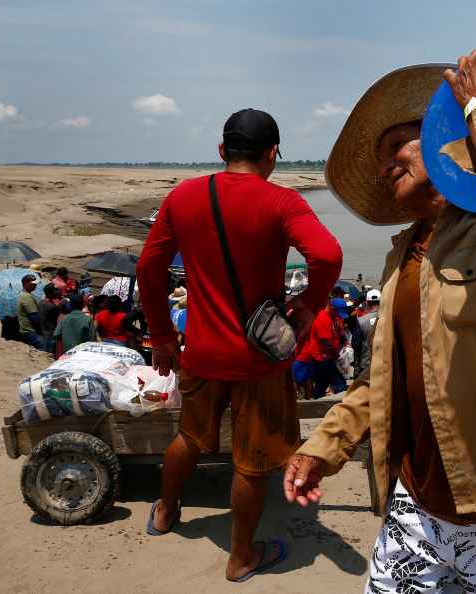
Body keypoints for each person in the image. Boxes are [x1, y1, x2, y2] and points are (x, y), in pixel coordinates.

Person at [284, 43, 476, 593]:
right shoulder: (404, 253)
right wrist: (325, 445)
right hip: (418, 509)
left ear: (439, 135)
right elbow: (388, 376)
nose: (383, 167)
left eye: (393, 146)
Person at [136, 107, 342, 583]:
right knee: (251, 462)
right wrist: (309, 305)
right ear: (272, 155)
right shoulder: (282, 202)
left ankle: (167, 511)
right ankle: (241, 557)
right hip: (258, 359)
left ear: (222, 151)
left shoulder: (185, 195)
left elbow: (149, 268)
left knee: (189, 436)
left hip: (201, 353)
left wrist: (163, 336)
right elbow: (328, 254)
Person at [298, 298, 350, 398]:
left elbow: (339, 331)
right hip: (321, 358)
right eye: (337, 313)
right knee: (339, 383)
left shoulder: (332, 317)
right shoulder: (323, 318)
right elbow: (326, 343)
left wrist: (343, 340)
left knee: (322, 384)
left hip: (326, 357)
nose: (338, 316)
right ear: (332, 308)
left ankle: (316, 403)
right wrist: (337, 355)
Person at [17, 274, 46, 351]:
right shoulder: (27, 297)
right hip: (31, 331)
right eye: (32, 283)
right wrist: (41, 330)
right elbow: (34, 317)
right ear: (26, 283)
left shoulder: (25, 295)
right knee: (43, 349)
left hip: (27, 330)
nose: (35, 285)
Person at [356, 289, 380, 373]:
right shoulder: (389, 319)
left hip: (366, 363)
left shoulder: (360, 321)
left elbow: (356, 344)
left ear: (367, 303)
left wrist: (357, 364)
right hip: (385, 362)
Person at [38, 283, 62, 352]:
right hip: (50, 334)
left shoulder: (41, 302)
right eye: (54, 291)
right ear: (49, 293)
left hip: (45, 332)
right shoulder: (51, 306)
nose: (56, 293)